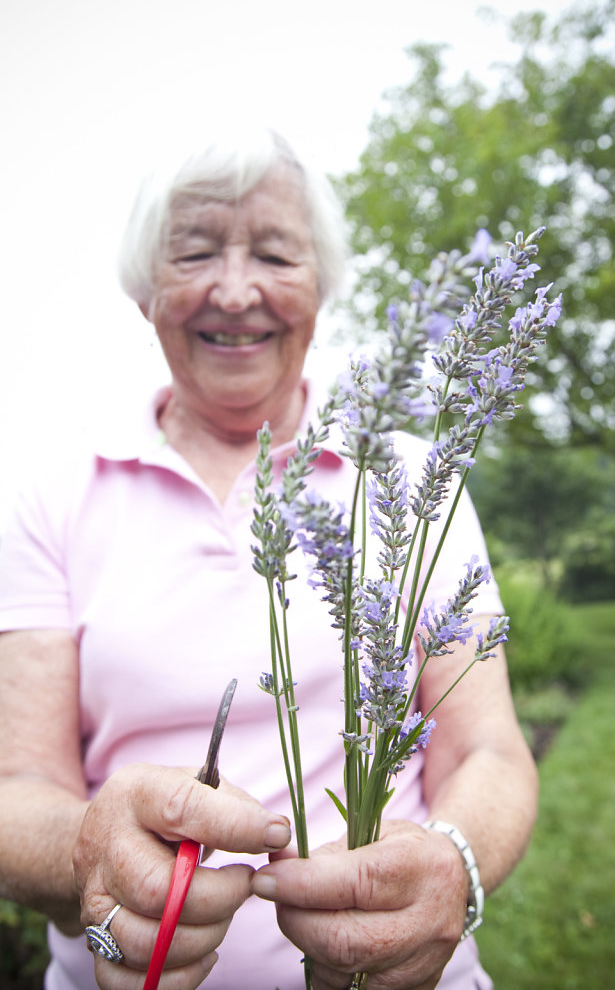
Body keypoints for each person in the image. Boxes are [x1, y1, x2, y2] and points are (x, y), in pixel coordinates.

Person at [0, 129, 538, 990]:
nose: (237, 288)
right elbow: (17, 782)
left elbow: (489, 754)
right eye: (197, 251)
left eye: (276, 254)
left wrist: (454, 869)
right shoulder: (54, 493)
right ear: (145, 293)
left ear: (320, 288)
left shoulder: (404, 476)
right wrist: (90, 856)